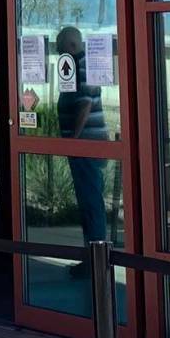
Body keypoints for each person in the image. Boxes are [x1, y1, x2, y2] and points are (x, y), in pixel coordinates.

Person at [55, 26, 109, 278]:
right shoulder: (74, 65)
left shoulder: (82, 64)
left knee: (91, 202)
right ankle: (91, 258)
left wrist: (73, 140)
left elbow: (85, 104)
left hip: (86, 146)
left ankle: (97, 262)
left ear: (71, 45)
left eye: (59, 44)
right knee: (87, 202)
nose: (56, 49)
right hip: (82, 146)